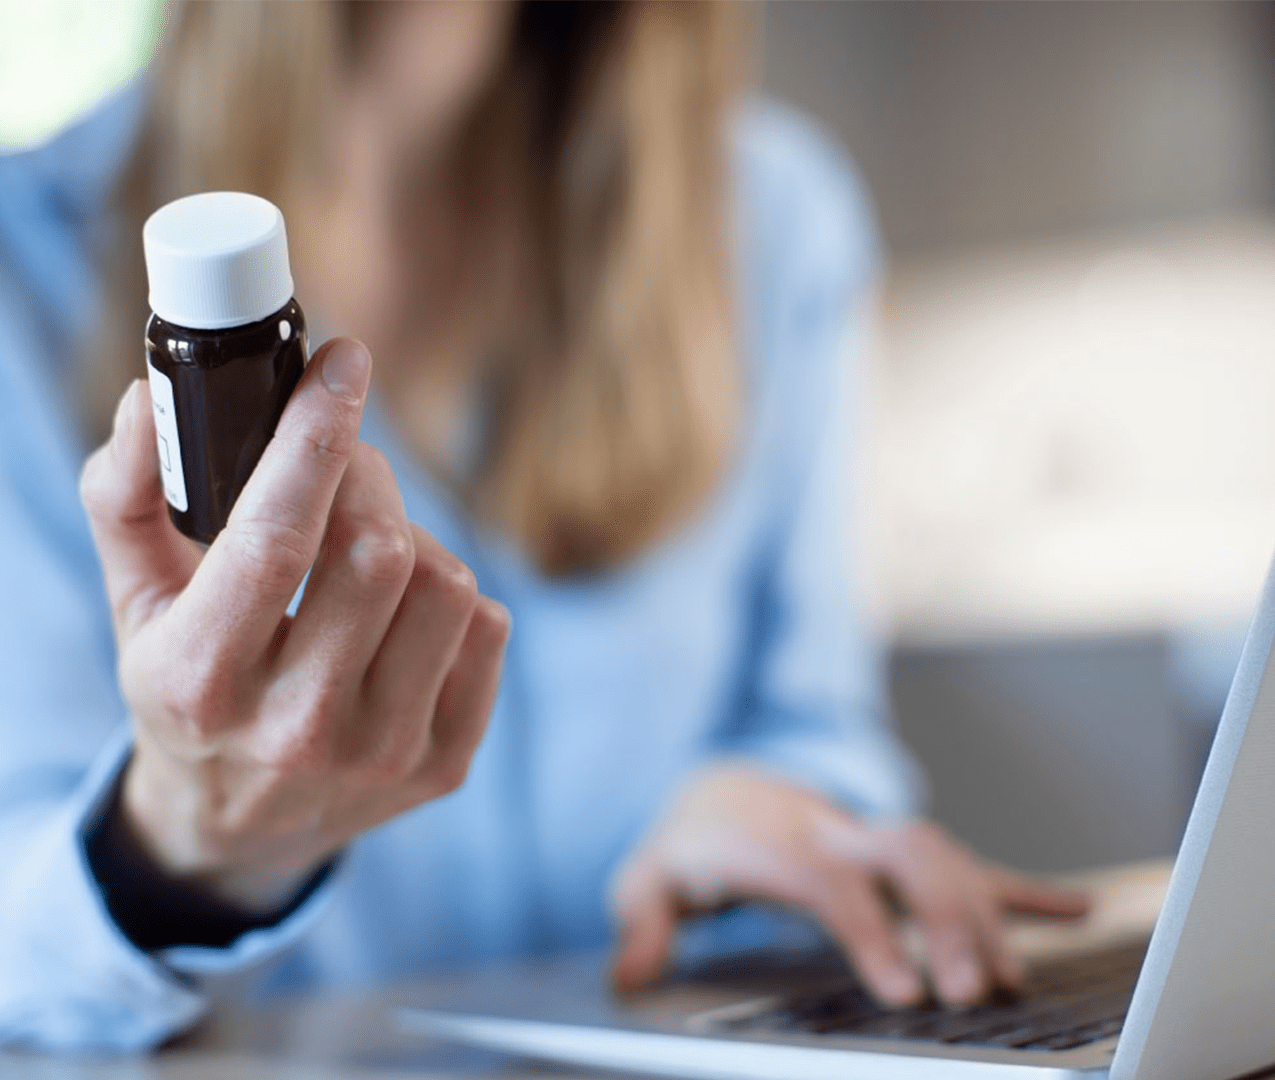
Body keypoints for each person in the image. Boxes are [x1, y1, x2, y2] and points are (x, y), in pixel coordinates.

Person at [0, 0, 1088, 1051]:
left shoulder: (767, 216)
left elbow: (817, 724)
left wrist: (771, 805)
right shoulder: (25, 267)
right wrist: (177, 854)